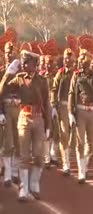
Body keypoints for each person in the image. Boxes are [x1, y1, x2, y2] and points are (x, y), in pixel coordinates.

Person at [0, 50, 51, 201]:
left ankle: (34, 183)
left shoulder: (42, 81)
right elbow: (2, 91)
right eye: (23, 61)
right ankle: (24, 187)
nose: (23, 64)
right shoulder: (19, 78)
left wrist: (48, 126)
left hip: (38, 119)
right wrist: (8, 74)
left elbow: (47, 104)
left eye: (26, 62)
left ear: (34, 65)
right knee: (24, 155)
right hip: (24, 117)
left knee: (39, 155)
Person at [68, 49, 93, 184]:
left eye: (83, 59)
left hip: (92, 111)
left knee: (92, 144)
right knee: (80, 143)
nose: (80, 62)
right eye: (80, 60)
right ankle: (81, 171)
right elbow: (71, 93)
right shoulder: (76, 75)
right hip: (80, 111)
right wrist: (70, 112)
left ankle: (85, 163)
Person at [51, 48, 75, 176]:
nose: (67, 60)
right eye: (66, 58)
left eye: (70, 58)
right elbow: (54, 90)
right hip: (63, 106)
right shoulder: (60, 73)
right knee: (64, 134)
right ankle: (66, 163)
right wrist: (54, 105)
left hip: (75, 107)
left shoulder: (76, 74)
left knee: (75, 137)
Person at [0, 42, 20, 187]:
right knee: (7, 142)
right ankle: (7, 174)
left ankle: (14, 172)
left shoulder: (21, 72)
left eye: (12, 52)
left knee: (19, 141)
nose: (9, 54)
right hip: (6, 108)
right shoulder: (2, 71)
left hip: (19, 108)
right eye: (7, 52)